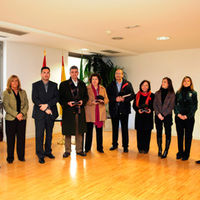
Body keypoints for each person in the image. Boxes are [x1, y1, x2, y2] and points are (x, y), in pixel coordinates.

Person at [59, 66, 89, 157]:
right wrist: (67, 103)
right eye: (72, 72)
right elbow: (60, 98)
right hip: (68, 111)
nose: (74, 74)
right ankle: (67, 150)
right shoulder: (63, 84)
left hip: (80, 111)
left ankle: (79, 150)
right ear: (70, 73)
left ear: (78, 73)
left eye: (76, 72)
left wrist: (82, 102)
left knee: (79, 131)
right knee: (68, 131)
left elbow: (86, 97)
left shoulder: (82, 84)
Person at [32, 66, 59, 164]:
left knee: (49, 135)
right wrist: (43, 107)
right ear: (41, 74)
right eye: (44, 72)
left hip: (50, 113)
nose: (46, 74)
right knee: (39, 135)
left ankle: (48, 152)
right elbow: (34, 98)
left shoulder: (54, 85)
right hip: (39, 114)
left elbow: (56, 98)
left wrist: (47, 106)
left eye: (48, 72)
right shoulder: (35, 85)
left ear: (49, 74)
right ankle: (40, 154)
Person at [107, 69, 135, 152]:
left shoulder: (128, 84)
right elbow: (108, 96)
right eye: (116, 73)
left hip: (124, 110)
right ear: (115, 75)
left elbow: (132, 95)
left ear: (122, 75)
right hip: (114, 110)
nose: (118, 75)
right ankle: (114, 144)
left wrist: (124, 99)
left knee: (124, 128)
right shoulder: (111, 85)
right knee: (115, 128)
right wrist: (115, 99)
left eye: (119, 74)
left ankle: (125, 146)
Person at [3, 75, 29, 163]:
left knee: (21, 138)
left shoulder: (23, 92)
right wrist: (16, 114)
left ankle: (21, 157)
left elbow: (26, 105)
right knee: (10, 139)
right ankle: (10, 158)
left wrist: (22, 113)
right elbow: (6, 106)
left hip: (22, 119)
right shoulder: (6, 92)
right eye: (13, 81)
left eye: (16, 81)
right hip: (11, 119)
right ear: (10, 82)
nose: (15, 83)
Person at [174, 76, 197, 161]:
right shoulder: (178, 92)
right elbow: (175, 105)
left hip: (189, 118)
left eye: (188, 81)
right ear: (182, 82)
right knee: (180, 136)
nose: (186, 82)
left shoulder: (194, 93)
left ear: (190, 83)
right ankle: (180, 152)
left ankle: (186, 154)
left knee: (188, 136)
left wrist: (187, 116)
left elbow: (195, 106)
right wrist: (178, 114)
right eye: (185, 81)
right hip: (179, 118)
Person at [85, 73, 109, 153]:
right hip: (90, 112)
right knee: (89, 132)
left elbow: (107, 99)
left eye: (96, 79)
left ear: (98, 80)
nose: (94, 81)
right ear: (91, 80)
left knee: (99, 132)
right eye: (93, 79)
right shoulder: (87, 88)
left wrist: (103, 101)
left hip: (100, 112)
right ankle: (87, 148)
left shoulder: (102, 88)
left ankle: (100, 148)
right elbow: (84, 100)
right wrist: (91, 102)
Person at [153, 77, 175, 158]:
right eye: (162, 82)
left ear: (168, 84)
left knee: (168, 133)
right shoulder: (157, 93)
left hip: (167, 116)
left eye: (165, 82)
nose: (163, 83)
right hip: (158, 116)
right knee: (159, 132)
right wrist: (158, 114)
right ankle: (160, 149)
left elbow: (171, 106)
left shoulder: (172, 94)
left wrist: (163, 114)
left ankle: (166, 150)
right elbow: (154, 105)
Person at [133, 80, 154, 154]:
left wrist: (150, 110)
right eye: (143, 85)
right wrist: (137, 110)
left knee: (147, 133)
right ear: (140, 86)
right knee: (140, 133)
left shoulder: (152, 95)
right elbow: (134, 106)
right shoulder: (137, 95)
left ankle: (146, 149)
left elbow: (154, 106)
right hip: (139, 117)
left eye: (146, 85)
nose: (144, 87)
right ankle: (140, 148)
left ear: (149, 87)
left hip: (148, 117)